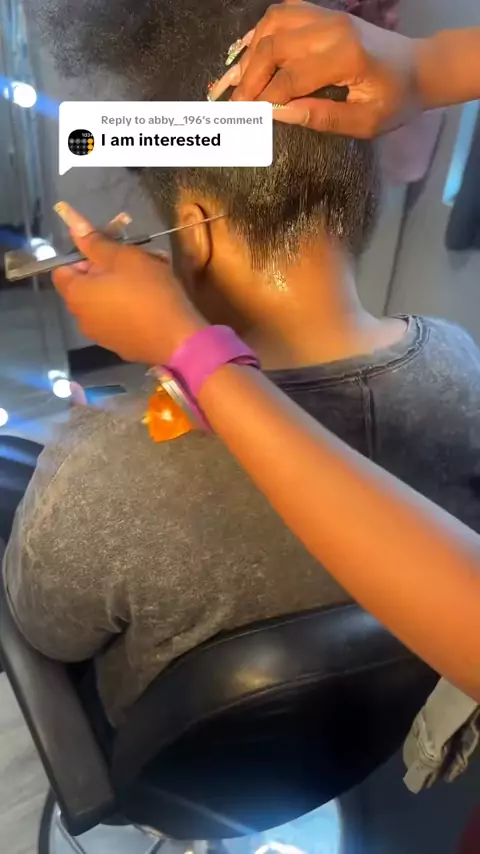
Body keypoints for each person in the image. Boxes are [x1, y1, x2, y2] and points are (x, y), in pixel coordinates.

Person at [4, 0, 480, 727]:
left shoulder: (104, 467)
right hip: (379, 737)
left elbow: (44, 630)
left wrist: (108, 435)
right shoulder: (459, 363)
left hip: (178, 759)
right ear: (357, 205)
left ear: (192, 232)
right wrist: (431, 64)